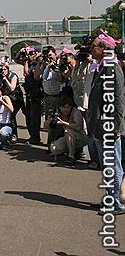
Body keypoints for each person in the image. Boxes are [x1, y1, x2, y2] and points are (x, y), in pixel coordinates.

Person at [87, 32, 125, 215]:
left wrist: (117, 126)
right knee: (107, 166)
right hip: (101, 126)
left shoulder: (112, 67)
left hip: (109, 126)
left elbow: (118, 99)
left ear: (103, 48)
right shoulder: (102, 66)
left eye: (94, 46)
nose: (91, 49)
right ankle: (109, 199)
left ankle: (116, 203)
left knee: (113, 166)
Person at [47, 96, 88, 165]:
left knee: (68, 131)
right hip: (69, 137)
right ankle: (72, 150)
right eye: (63, 107)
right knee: (54, 148)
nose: (65, 109)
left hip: (82, 137)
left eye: (67, 107)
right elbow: (44, 126)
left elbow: (79, 127)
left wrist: (63, 123)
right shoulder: (58, 113)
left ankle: (71, 156)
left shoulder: (75, 112)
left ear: (71, 106)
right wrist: (49, 120)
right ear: (59, 107)